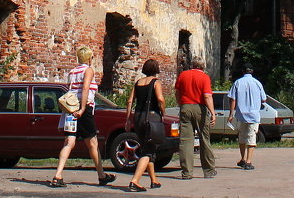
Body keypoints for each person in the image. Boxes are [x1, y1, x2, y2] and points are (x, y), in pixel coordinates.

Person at [49, 46, 116, 188]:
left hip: (70, 109)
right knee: (92, 144)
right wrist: (83, 108)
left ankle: (58, 175)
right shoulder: (88, 70)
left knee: (69, 142)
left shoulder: (73, 72)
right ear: (89, 58)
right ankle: (101, 176)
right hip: (83, 109)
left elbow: (70, 89)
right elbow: (85, 88)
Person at [125, 59, 165, 192]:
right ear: (156, 69)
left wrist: (128, 119)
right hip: (152, 118)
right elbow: (160, 99)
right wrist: (163, 111)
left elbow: (130, 101)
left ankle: (154, 180)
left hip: (138, 117)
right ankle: (135, 181)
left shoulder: (138, 83)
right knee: (148, 151)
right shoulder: (156, 82)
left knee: (147, 147)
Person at [174, 55, 216, 179]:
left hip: (185, 107)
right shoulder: (204, 77)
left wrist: (181, 104)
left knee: (186, 141)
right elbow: (207, 96)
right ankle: (208, 171)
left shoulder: (183, 75)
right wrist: (212, 112)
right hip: (200, 109)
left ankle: (187, 172)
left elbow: (177, 92)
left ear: (192, 65)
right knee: (204, 139)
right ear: (202, 66)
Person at [227, 64, 267, 169]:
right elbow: (264, 99)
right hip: (254, 115)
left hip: (241, 115)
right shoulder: (258, 83)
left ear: (243, 71)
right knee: (251, 137)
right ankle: (249, 161)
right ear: (252, 72)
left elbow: (232, 99)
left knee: (242, 137)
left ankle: (243, 159)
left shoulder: (238, 83)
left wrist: (231, 114)